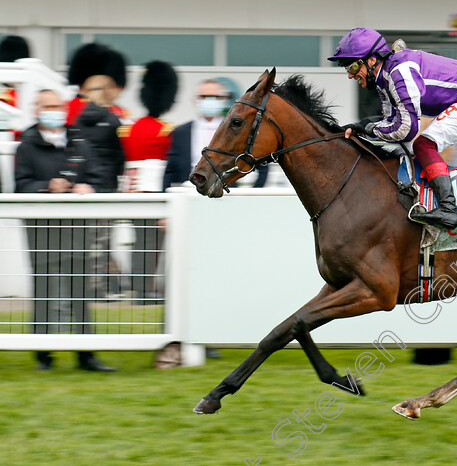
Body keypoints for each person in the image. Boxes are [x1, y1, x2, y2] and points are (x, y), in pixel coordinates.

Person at [329, 28, 457, 230]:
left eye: (352, 67)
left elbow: (406, 129)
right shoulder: (383, 79)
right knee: (415, 147)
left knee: (423, 144)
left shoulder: (398, 72)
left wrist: (369, 128)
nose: (350, 75)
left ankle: (448, 209)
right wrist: (362, 126)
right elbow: (390, 122)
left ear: (371, 60)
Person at [15, 89, 115, 372]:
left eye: (57, 105)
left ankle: (87, 355)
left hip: (77, 227)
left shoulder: (79, 141)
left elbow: (100, 177)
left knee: (80, 292)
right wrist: (47, 186)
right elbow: (20, 184)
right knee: (44, 290)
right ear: (36, 109)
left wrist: (90, 187)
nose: (53, 110)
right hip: (42, 230)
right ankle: (43, 356)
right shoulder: (26, 144)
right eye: (47, 105)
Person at [118, 61, 177, 300]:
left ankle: (139, 287)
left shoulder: (128, 129)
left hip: (131, 191)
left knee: (139, 241)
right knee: (152, 245)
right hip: (155, 192)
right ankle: (145, 289)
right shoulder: (166, 130)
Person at [164, 79, 268, 189]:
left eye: (216, 97)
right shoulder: (181, 133)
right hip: (189, 193)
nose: (209, 100)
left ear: (224, 100)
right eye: (204, 96)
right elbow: (170, 171)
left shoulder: (237, 130)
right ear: (195, 100)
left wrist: (252, 195)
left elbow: (261, 164)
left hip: (226, 194)